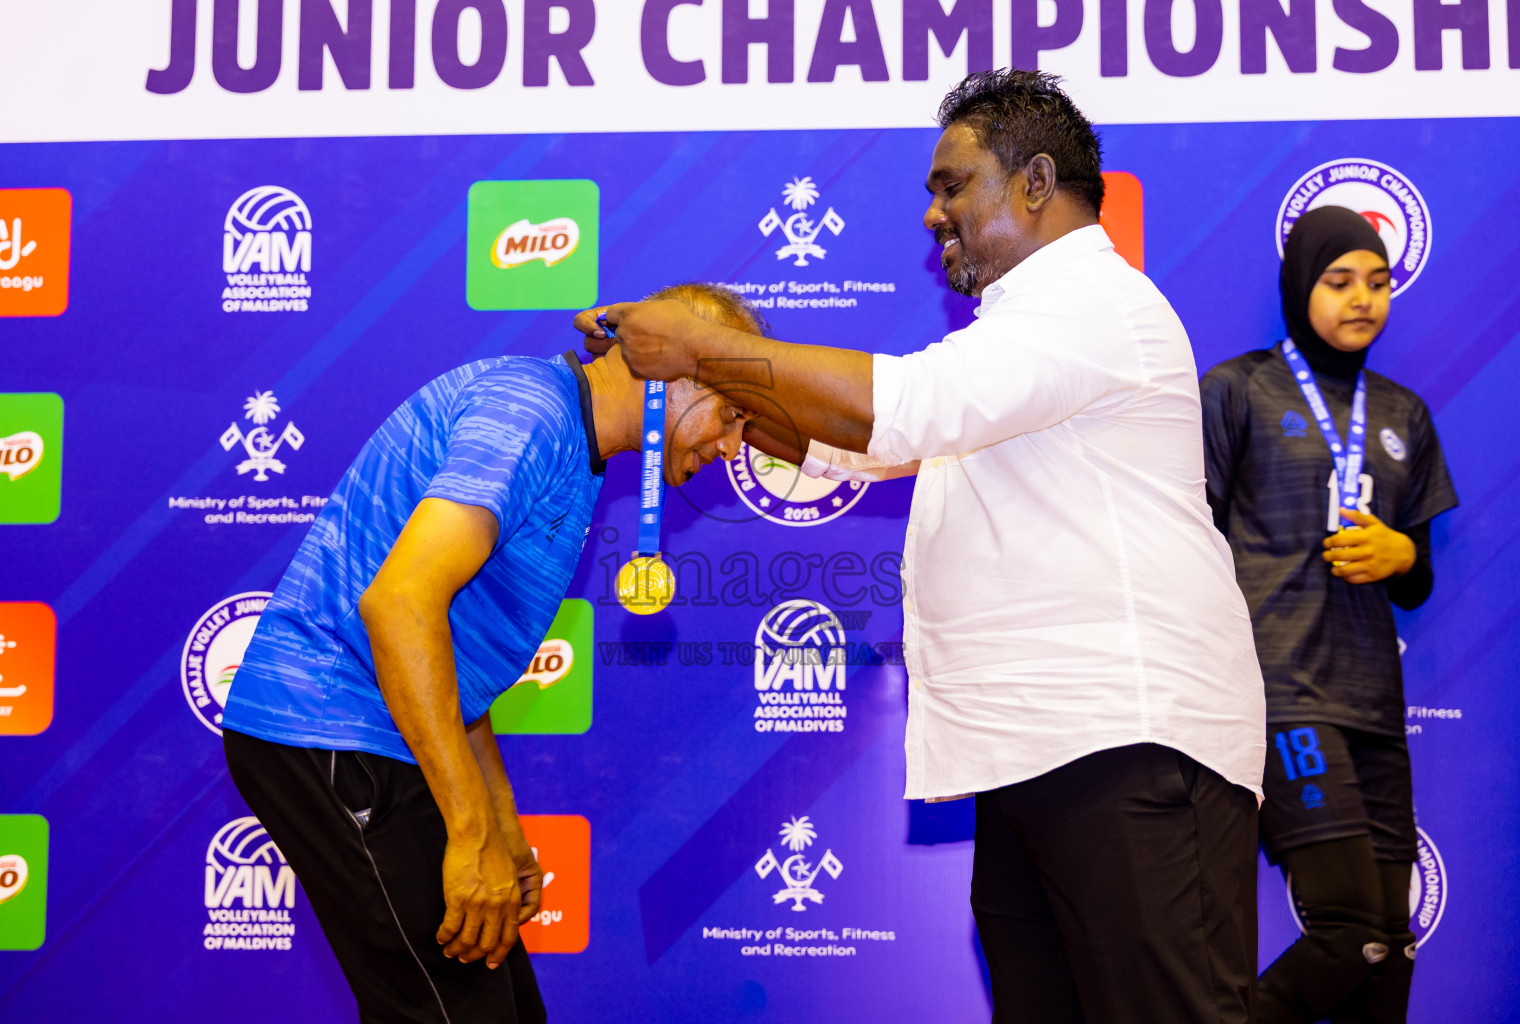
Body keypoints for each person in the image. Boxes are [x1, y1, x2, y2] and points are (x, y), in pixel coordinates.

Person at [579, 70, 1265, 1023]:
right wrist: (737, 404)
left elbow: (900, 411)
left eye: (952, 185)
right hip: (1032, 753)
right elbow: (849, 445)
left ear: (1034, 182)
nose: (934, 213)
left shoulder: (1092, 304)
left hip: (1126, 742)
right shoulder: (1016, 336)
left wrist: (701, 348)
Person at [221, 283, 763, 1024]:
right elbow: (401, 606)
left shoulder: (574, 447)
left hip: (382, 736)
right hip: (330, 727)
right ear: (671, 368)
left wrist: (501, 827)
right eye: (733, 416)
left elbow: (450, 654)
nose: (733, 448)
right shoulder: (529, 413)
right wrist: (470, 833)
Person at [1201, 205, 1458, 1024]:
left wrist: (1403, 554)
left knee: (1390, 947)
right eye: (1340, 281)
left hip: (1374, 705)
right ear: (1298, 286)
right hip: (1283, 694)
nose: (1363, 300)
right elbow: (1189, 539)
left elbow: (1413, 579)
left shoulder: (1403, 415)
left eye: (1378, 283)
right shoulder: (1237, 389)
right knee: (1351, 933)